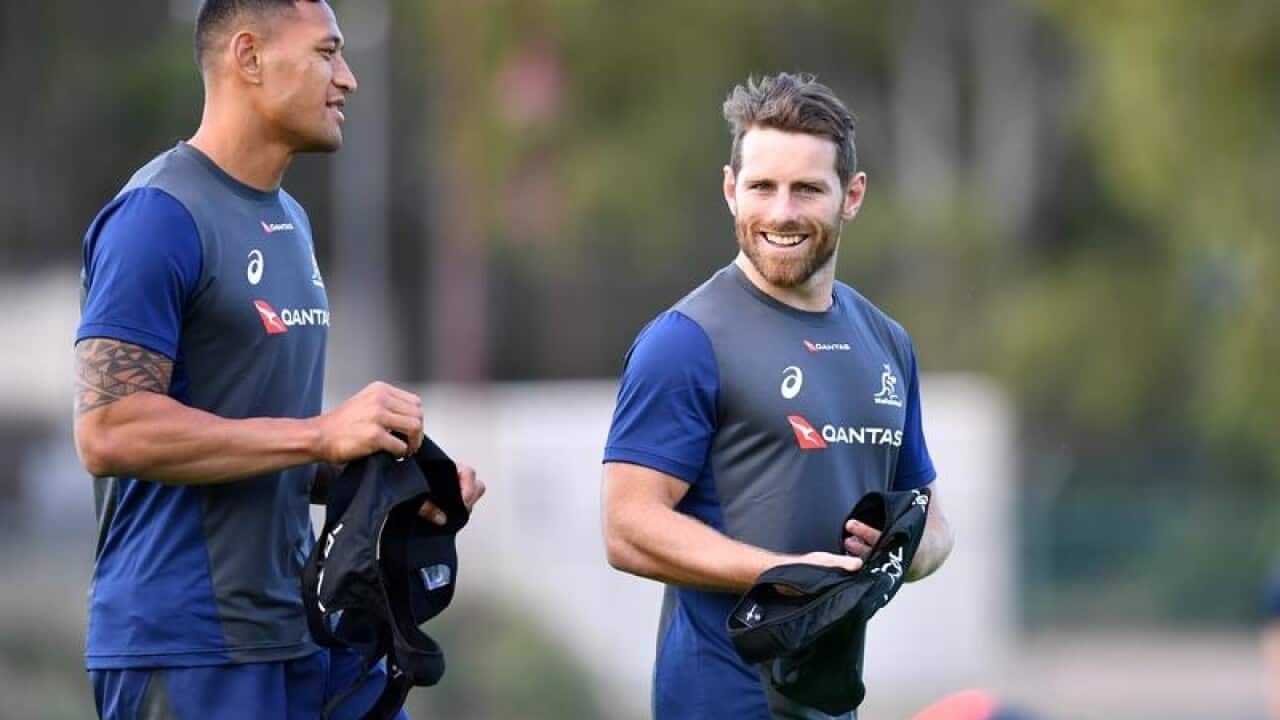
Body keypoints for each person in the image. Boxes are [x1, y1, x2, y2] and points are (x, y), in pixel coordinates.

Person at [72, 2, 484, 718]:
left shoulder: (290, 220)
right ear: (249, 57)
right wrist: (321, 434)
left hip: (304, 630)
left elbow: (261, 439)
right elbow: (109, 431)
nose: (348, 78)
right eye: (327, 53)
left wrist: (391, 482)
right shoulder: (156, 216)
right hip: (189, 647)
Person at [601, 73, 954, 720]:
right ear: (730, 189)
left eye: (807, 189)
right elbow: (628, 528)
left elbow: (931, 523)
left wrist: (898, 554)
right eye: (762, 186)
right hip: (718, 702)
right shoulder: (685, 341)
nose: (782, 213)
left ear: (851, 196)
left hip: (831, 704)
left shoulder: (887, 343)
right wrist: (785, 574)